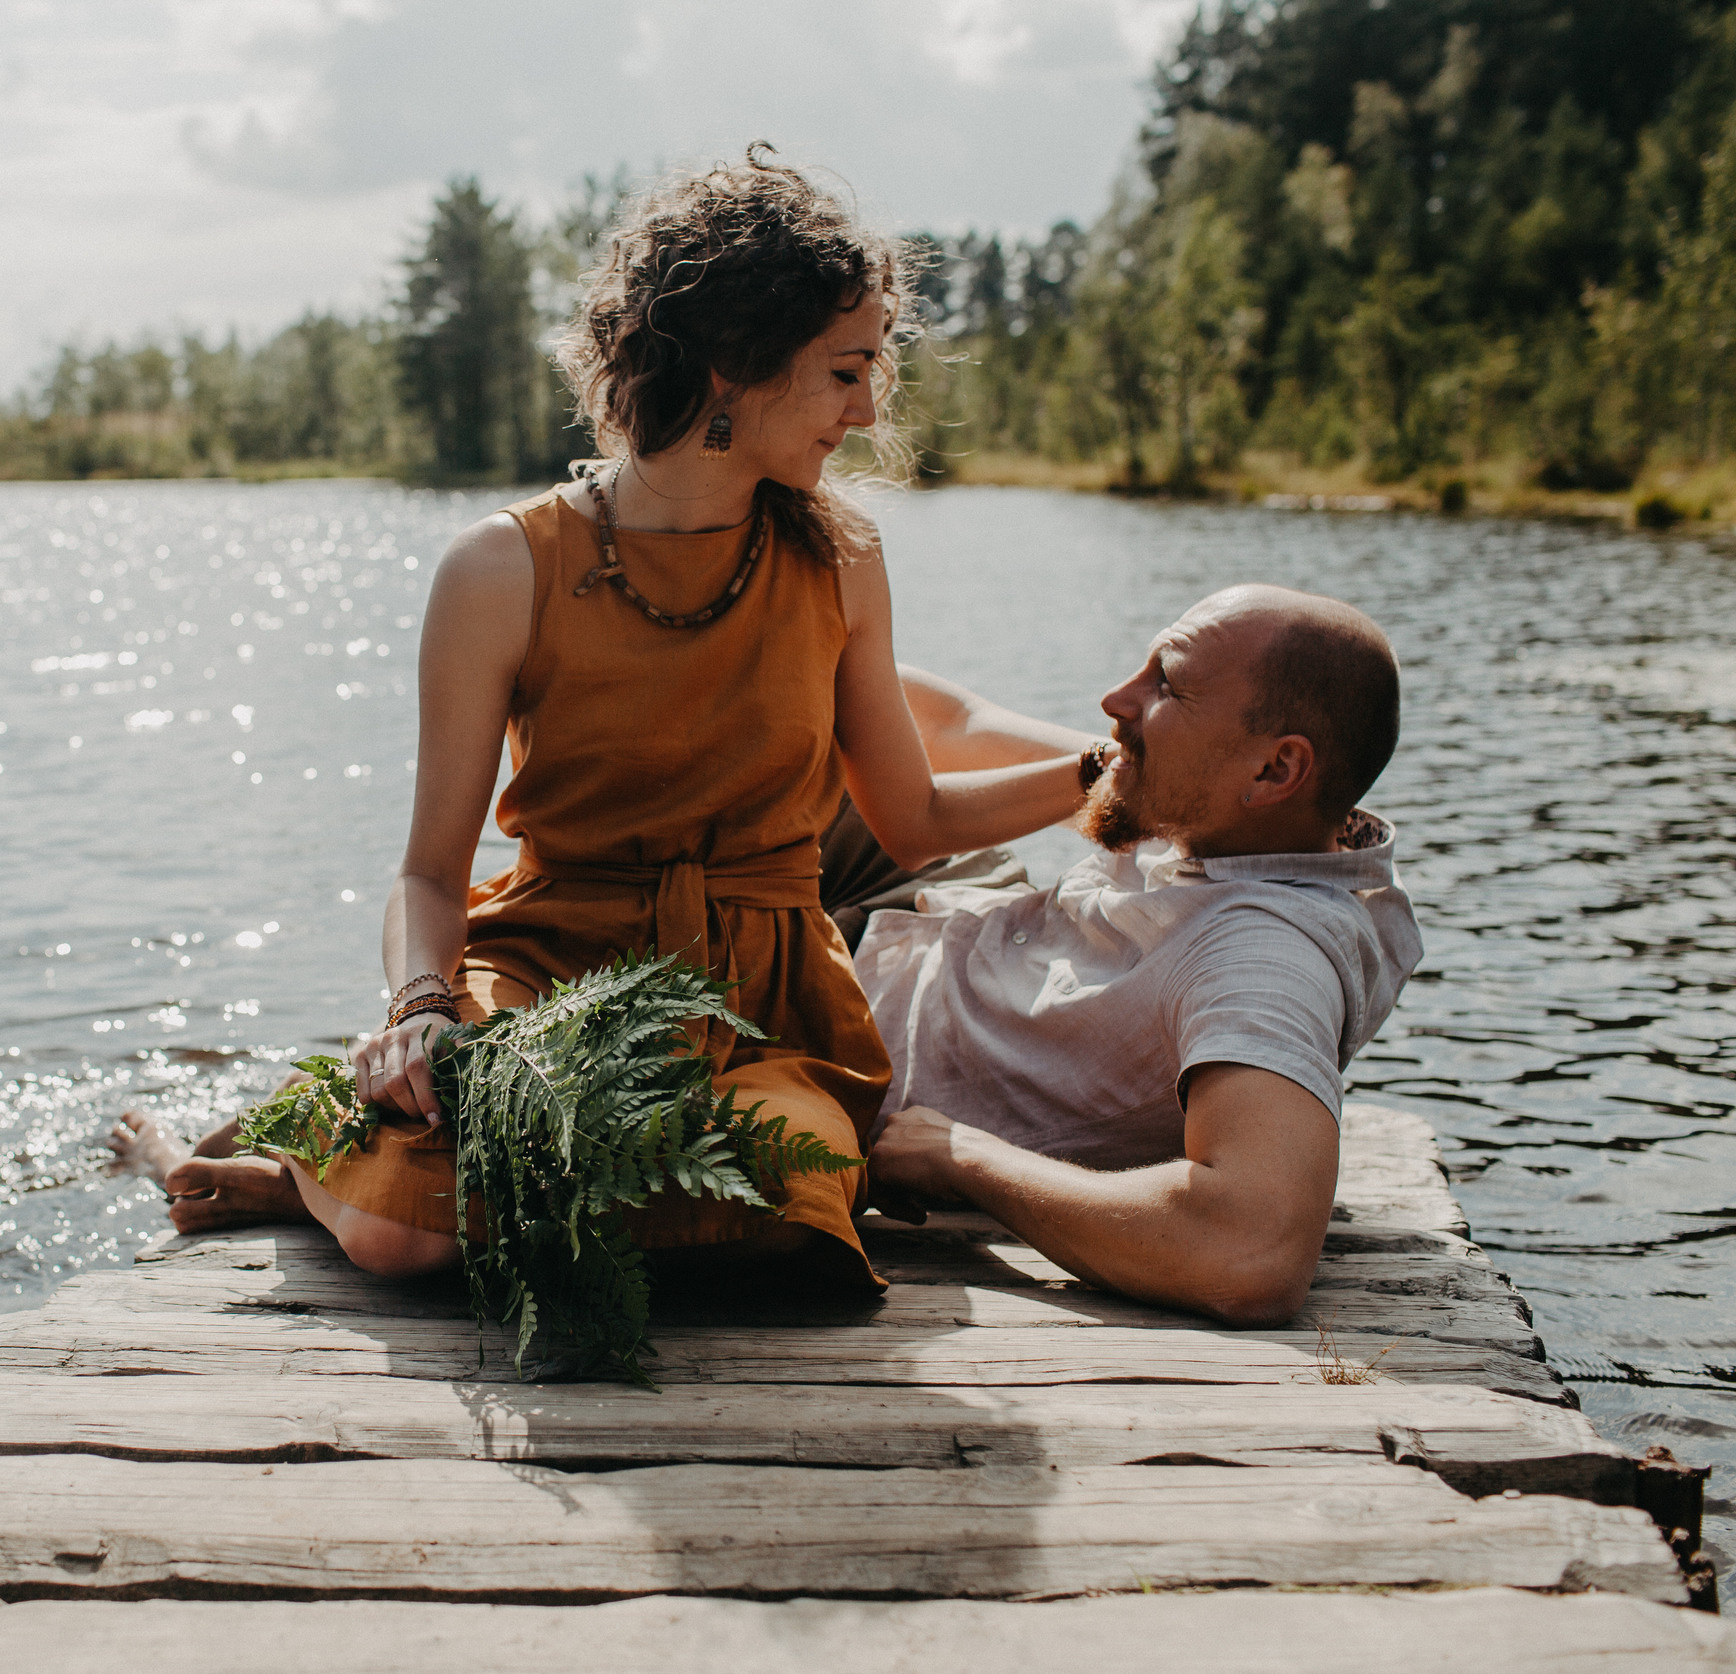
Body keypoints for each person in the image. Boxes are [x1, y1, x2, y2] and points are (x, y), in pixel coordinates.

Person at [109, 147, 1086, 1286]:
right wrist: (424, 1004)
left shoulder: (842, 556)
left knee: (788, 1213)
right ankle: (331, 1151)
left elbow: (913, 821)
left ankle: (306, 1165)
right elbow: (429, 874)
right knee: (402, 1235)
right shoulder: (499, 569)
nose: (868, 410)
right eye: (845, 370)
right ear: (733, 364)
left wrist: (1108, 771)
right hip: (545, 968)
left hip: (763, 997)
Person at [854, 584, 1422, 1328]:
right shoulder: (1233, 815)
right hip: (946, 905)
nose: (1115, 696)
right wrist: (1111, 763)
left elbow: (1252, 1250)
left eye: (1167, 684)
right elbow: (939, 720)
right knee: (796, 708)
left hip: (851, 1006)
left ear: (1275, 771)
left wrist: (962, 1156)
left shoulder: (1265, 957)